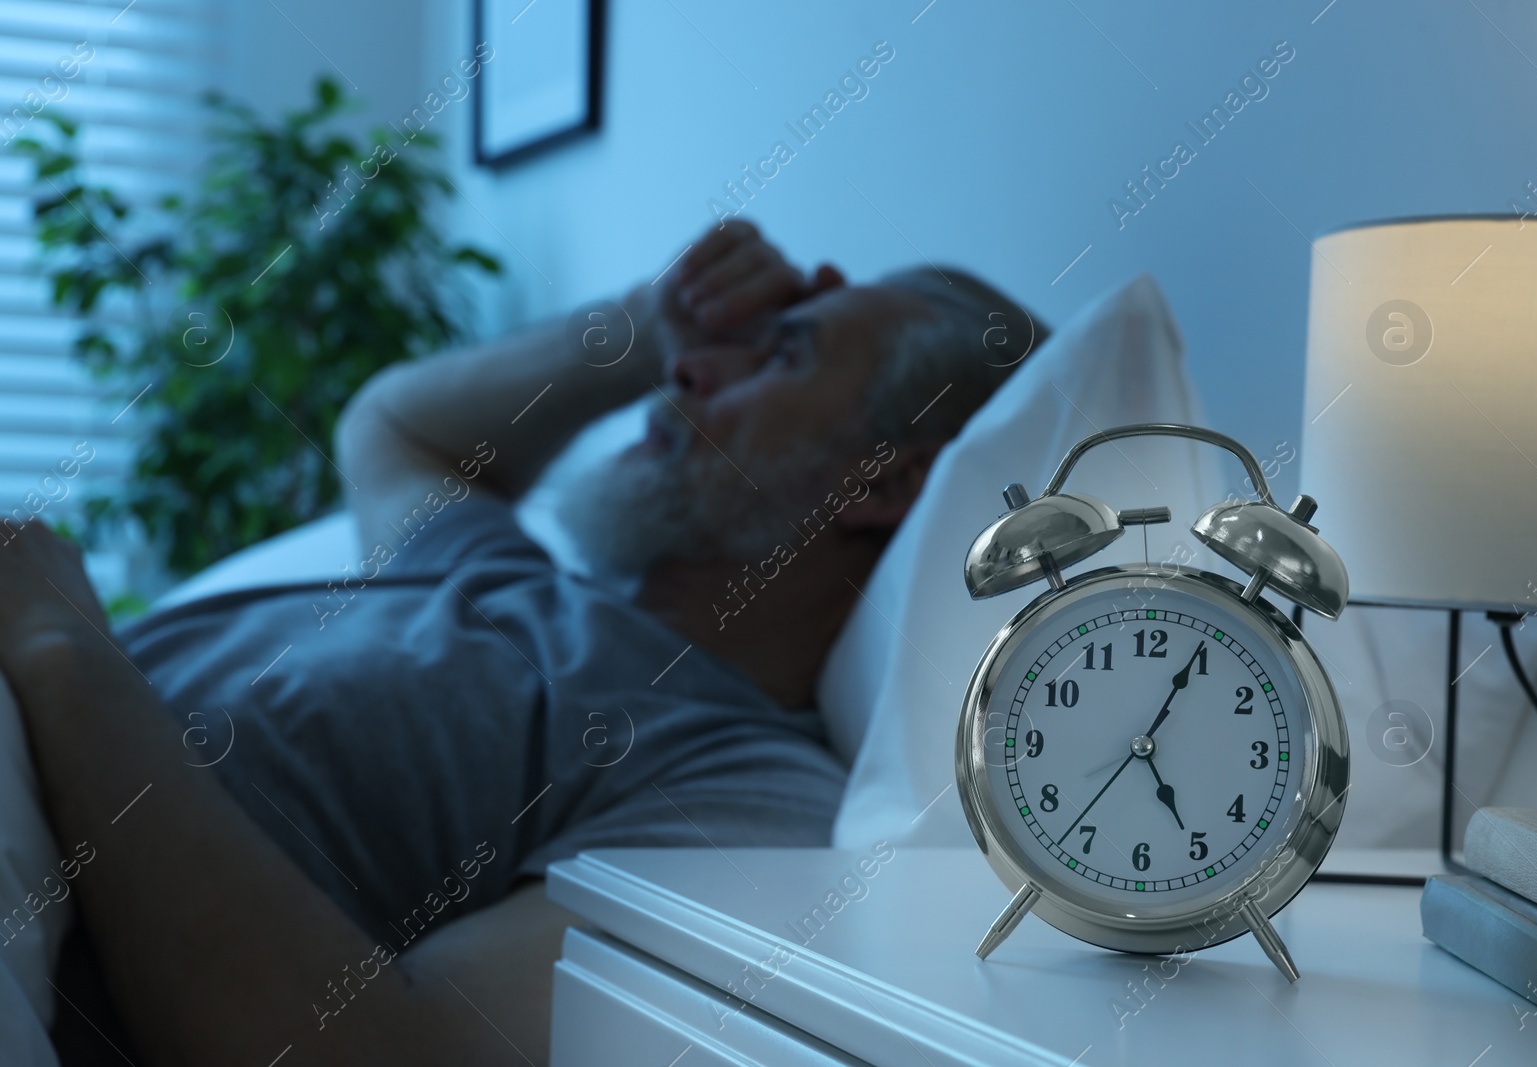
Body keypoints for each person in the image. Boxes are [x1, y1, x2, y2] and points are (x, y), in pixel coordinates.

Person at [0, 221, 1041, 1065]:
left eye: (779, 354)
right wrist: (646, 321)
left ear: (886, 481)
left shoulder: (741, 800)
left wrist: (59, 646)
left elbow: (378, 1052)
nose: (689, 376)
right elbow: (390, 426)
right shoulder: (509, 575)